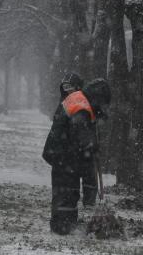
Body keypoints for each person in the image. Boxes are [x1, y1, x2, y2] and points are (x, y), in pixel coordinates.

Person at [42, 75, 111, 235]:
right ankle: (62, 226)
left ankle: (66, 223)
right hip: (64, 155)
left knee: (66, 190)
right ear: (97, 98)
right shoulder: (82, 107)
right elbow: (80, 133)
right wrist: (91, 145)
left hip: (62, 153)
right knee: (67, 191)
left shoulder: (79, 100)